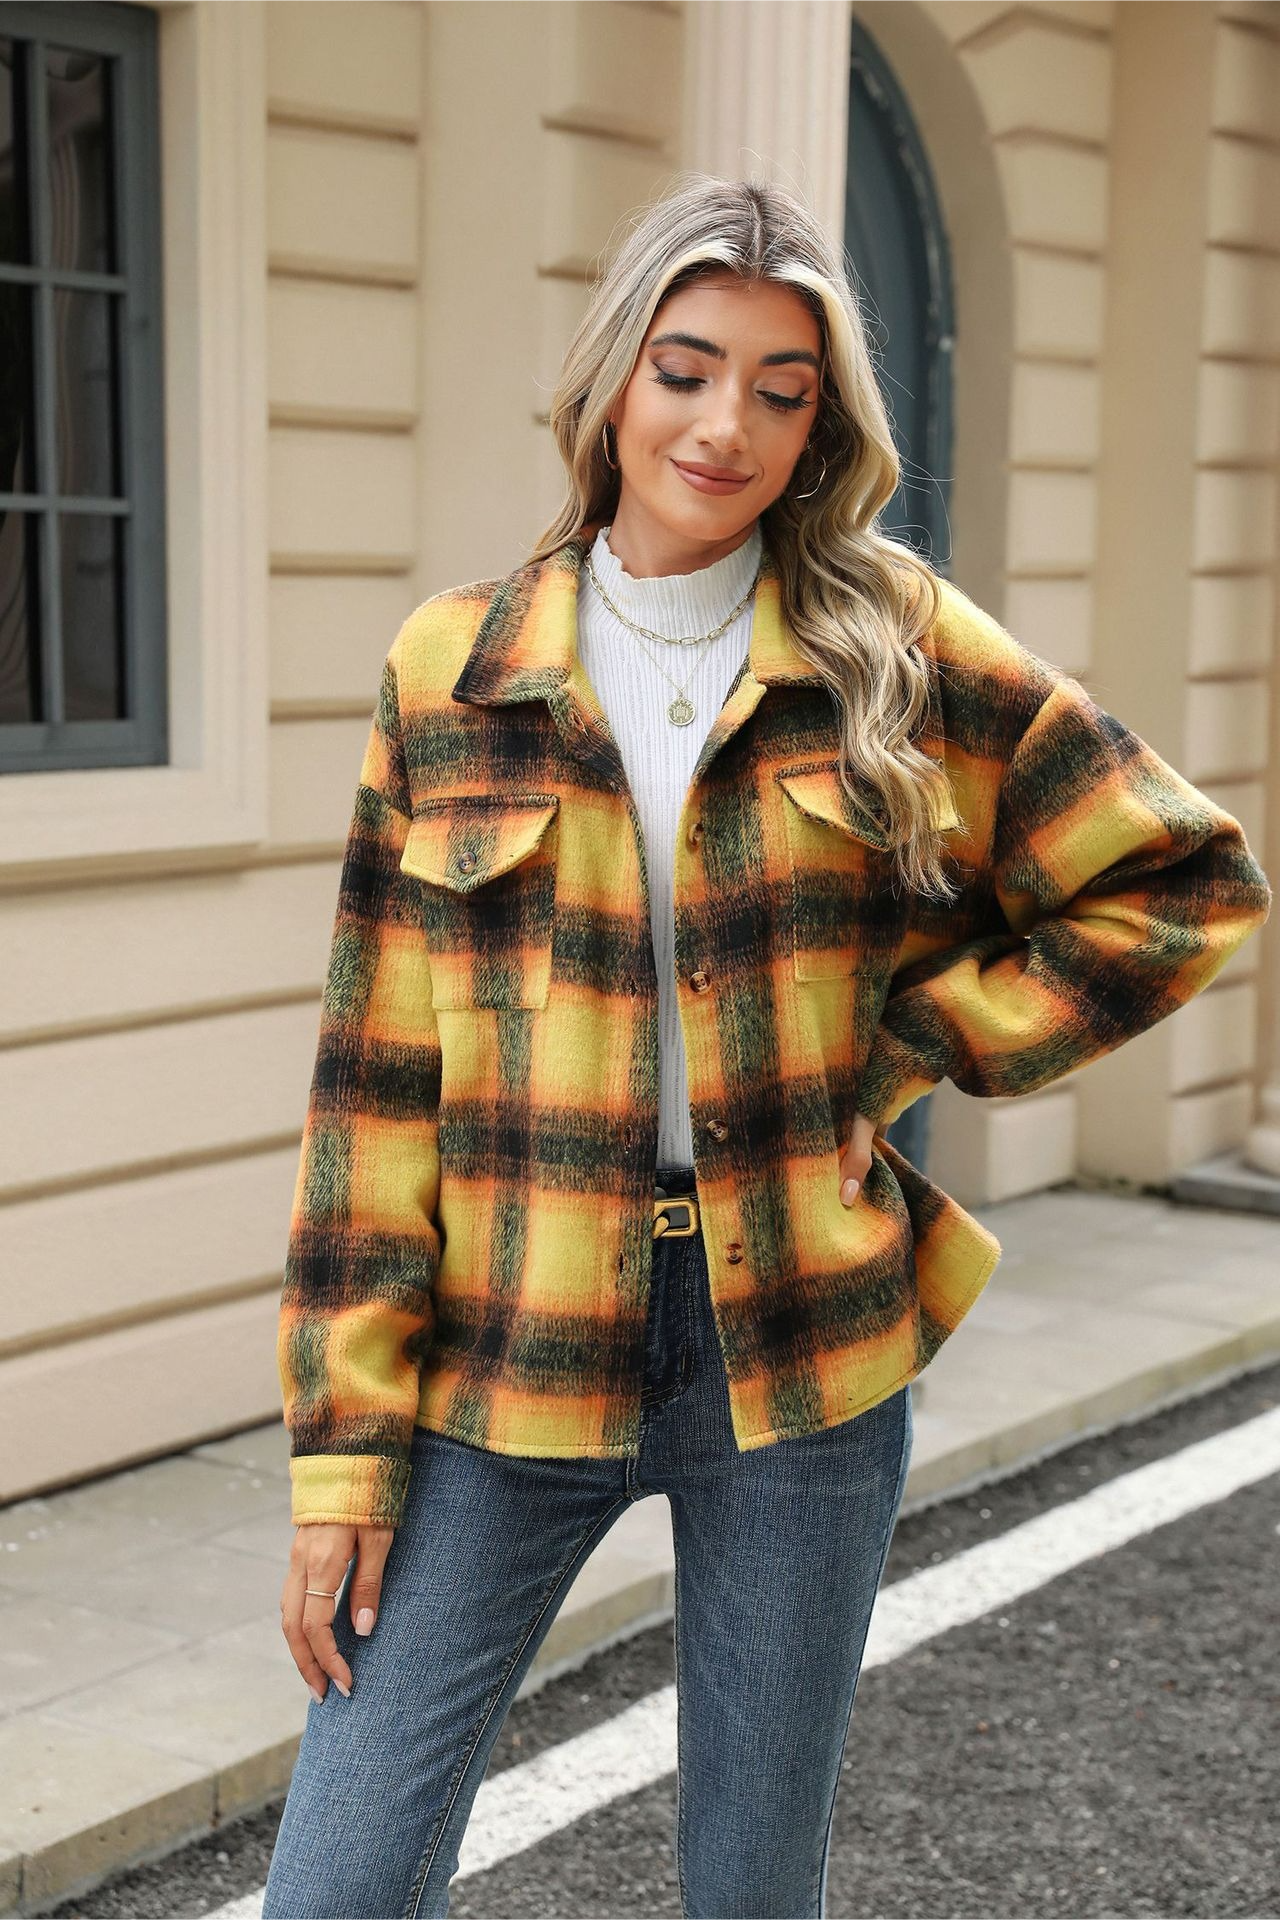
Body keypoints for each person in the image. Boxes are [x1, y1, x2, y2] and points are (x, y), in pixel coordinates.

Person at [261, 172, 1271, 1919]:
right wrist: (343, 1449)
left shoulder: (898, 647)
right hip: (505, 1350)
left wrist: (910, 1044)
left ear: (820, 430)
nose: (724, 425)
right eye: (686, 370)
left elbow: (1181, 881)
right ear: (613, 383)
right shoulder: (455, 670)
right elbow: (373, 1084)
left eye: (781, 391)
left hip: (803, 1349)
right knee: (338, 1884)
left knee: (749, 1885)